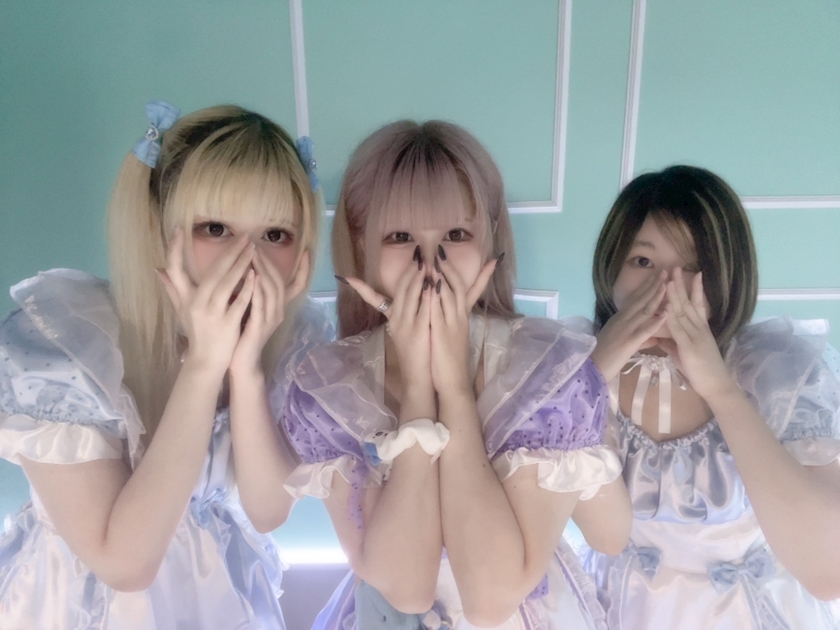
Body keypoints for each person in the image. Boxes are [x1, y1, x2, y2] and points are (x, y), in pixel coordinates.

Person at [278, 120, 623, 629]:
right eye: (400, 237)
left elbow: (492, 599)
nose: (429, 263)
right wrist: (419, 389)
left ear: (489, 239)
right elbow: (406, 590)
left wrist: (456, 389)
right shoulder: (330, 389)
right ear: (361, 243)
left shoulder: (549, 376)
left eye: (456, 235)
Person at [0, 101, 329, 629]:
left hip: (215, 591)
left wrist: (245, 368)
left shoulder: (292, 339)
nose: (249, 260)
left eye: (276, 235)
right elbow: (123, 564)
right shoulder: (66, 346)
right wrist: (203, 365)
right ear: (158, 226)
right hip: (79, 602)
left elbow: (268, 511)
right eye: (215, 228)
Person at [576, 165, 840, 629]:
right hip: (616, 607)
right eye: (643, 261)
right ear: (609, 267)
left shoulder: (781, 374)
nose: (667, 289)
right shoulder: (576, 368)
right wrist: (589, 382)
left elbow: (827, 572)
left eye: (695, 266)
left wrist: (719, 387)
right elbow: (605, 538)